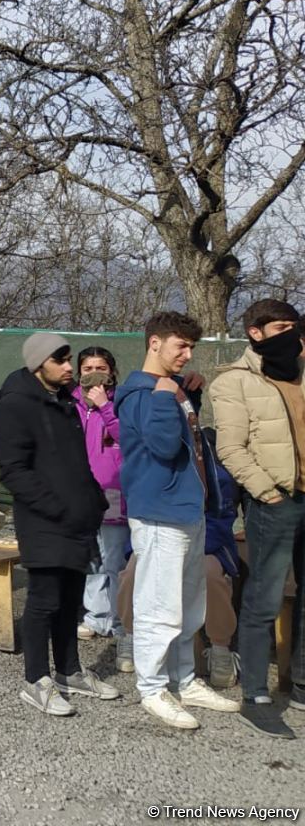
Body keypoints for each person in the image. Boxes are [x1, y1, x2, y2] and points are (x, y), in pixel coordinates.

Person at [116, 311, 239, 729]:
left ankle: (183, 679)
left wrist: (188, 395)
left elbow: (187, 441)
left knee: (189, 604)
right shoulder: (140, 393)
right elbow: (165, 445)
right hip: (159, 515)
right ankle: (152, 688)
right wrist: (167, 396)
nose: (187, 355)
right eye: (179, 346)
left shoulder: (171, 388)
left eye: (191, 347)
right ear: (154, 343)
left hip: (189, 510)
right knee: (158, 605)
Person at [0, 332, 120, 716]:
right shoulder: (15, 406)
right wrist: (57, 507)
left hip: (78, 519)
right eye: (61, 360)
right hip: (44, 520)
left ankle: (70, 672)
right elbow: (13, 471)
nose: (70, 367)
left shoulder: (65, 403)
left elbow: (77, 463)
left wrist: (93, 502)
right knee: (44, 601)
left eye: (69, 359)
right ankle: (36, 681)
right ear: (38, 365)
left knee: (70, 602)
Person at [208, 298, 305, 738]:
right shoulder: (234, 382)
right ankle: (256, 696)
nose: (292, 334)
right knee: (263, 597)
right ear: (256, 332)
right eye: (281, 327)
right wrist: (267, 494)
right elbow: (231, 449)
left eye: (295, 326)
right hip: (275, 502)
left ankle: (300, 682)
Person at [117, 428, 241, 694]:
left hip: (206, 545)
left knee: (210, 575)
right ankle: (130, 635)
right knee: (132, 571)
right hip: (157, 541)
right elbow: (137, 517)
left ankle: (220, 648)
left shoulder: (218, 478)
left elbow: (221, 522)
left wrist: (183, 548)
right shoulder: (150, 471)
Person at [74, 347, 128, 642]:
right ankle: (95, 617)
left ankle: (120, 619)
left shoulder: (121, 401)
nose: (94, 373)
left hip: (113, 487)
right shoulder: (71, 402)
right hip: (81, 489)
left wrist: (105, 406)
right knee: (92, 557)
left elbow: (128, 439)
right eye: (87, 367)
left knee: (114, 558)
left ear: (112, 371)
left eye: (101, 367)